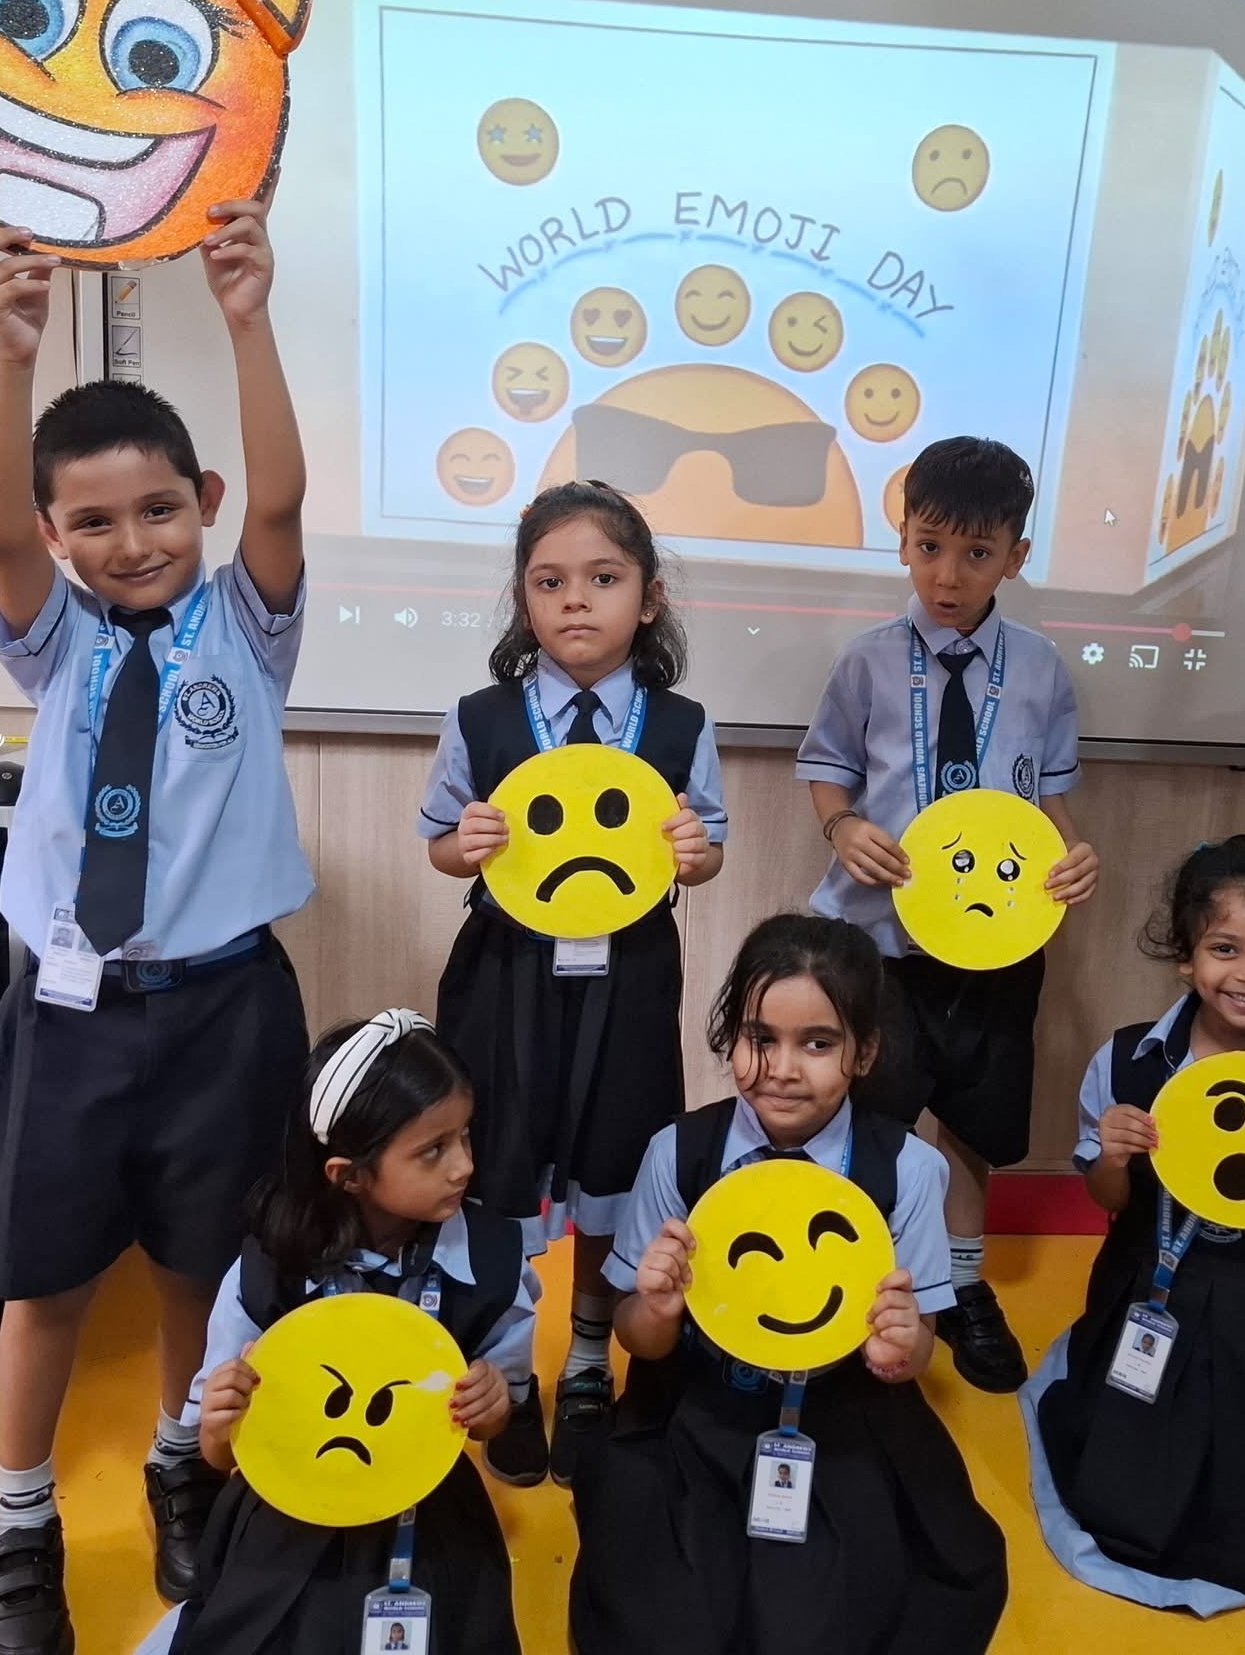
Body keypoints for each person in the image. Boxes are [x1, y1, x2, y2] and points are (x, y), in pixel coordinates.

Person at [0, 204, 315, 1655]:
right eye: (91, 521)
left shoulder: (248, 626)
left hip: (227, 1006)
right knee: (42, 1278)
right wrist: (9, 352)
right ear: (56, 536)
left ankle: (178, 1459)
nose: (131, 541)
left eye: (159, 509)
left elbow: (285, 498)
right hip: (74, 1010)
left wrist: (247, 319)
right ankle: (20, 1520)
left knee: (199, 1266)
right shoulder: (59, 634)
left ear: (202, 501)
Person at [569, 913, 1008, 1655]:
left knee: (830, 1618)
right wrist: (657, 1308)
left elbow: (914, 1352)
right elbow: (639, 1339)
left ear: (865, 1052)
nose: (781, 1068)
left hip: (843, 1417)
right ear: (730, 1038)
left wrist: (898, 1349)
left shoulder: (907, 1171)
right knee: (669, 1617)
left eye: (818, 1043)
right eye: (759, 1038)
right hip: (699, 1409)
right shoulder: (679, 1153)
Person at [418, 480, 726, 1485]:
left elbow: (707, 850)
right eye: (549, 582)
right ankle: (506, 1371)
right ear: (523, 599)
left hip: (627, 982)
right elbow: (440, 843)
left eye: (603, 578)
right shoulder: (480, 718)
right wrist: (462, 844)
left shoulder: (679, 725)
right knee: (496, 1167)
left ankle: (588, 1359)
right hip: (504, 978)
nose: (576, 600)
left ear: (649, 596)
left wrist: (697, 853)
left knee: (613, 1164)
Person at [797, 436, 1098, 1392]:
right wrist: (843, 827)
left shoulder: (1042, 669)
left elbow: (1047, 794)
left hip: (996, 941)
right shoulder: (867, 663)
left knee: (975, 1118)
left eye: (976, 553)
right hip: (880, 941)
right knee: (874, 1114)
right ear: (902, 542)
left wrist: (1073, 852)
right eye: (929, 547)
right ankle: (871, 1276)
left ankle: (964, 1284)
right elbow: (828, 771)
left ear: (1016, 554)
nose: (948, 575)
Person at [1021, 837, 1245, 1614]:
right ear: (1185, 957)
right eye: (1226, 949)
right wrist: (1112, 1156)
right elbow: (1109, 1199)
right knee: (1125, 1487)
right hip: (1147, 1289)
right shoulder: (1127, 1060)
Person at [157, 1013, 529, 1655]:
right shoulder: (268, 1269)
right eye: (433, 1150)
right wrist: (219, 1421)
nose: (464, 1165)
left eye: (465, 1135)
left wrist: (494, 1405)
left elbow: (499, 1416)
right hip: (287, 1514)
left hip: (428, 1510)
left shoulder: (495, 1260)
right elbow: (219, 1454)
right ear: (348, 1174)